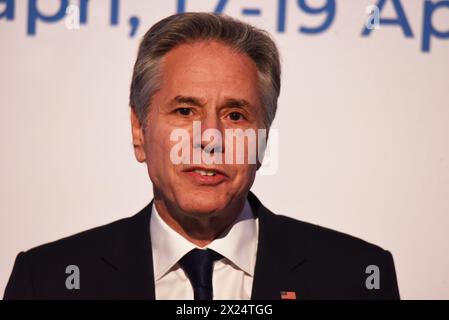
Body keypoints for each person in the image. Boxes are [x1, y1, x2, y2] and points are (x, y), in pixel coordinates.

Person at [4, 12, 400, 300]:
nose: (210, 138)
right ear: (139, 131)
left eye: (235, 115)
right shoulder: (49, 281)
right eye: (184, 111)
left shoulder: (356, 277)